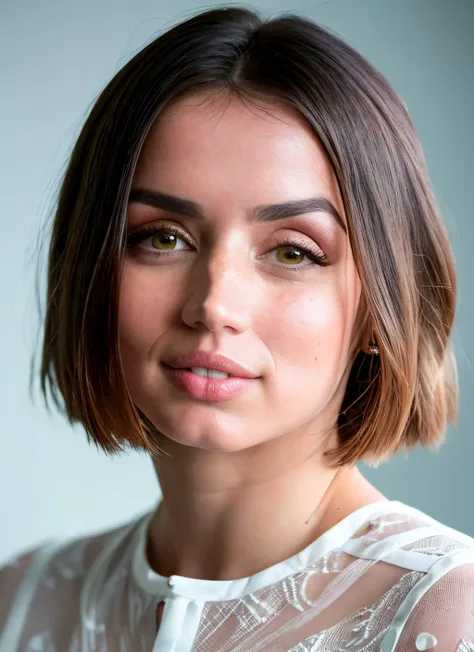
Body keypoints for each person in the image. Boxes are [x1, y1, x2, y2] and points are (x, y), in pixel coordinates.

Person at [1, 5, 473, 651]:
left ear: (381, 305)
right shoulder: (21, 600)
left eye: (293, 251)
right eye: (162, 238)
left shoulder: (447, 613)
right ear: (90, 270)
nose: (215, 303)